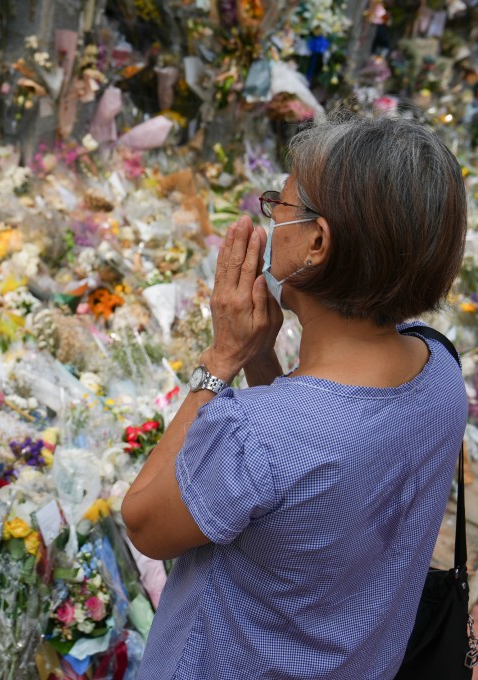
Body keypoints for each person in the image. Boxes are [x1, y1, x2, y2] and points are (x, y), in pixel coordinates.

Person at [122, 110, 468, 679]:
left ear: (316, 243)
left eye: (280, 207)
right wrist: (262, 355)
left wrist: (223, 359)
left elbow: (144, 524)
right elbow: (308, 451)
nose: (271, 219)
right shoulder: (439, 371)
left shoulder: (259, 435)